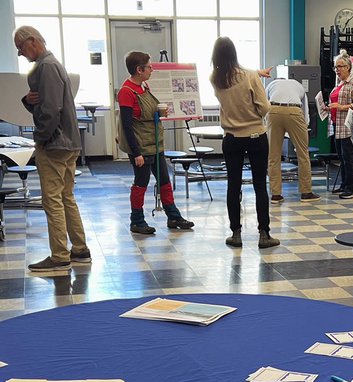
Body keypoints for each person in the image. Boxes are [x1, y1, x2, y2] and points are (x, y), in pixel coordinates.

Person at [14, 25, 90, 273]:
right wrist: (27, 101)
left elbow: (50, 110)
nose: (21, 54)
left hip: (55, 143)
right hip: (68, 142)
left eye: (21, 48)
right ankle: (79, 249)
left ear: (33, 41)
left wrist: (41, 138)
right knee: (67, 197)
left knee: (52, 200)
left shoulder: (46, 67)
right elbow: (47, 104)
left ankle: (59, 255)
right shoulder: (54, 65)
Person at [210, 37, 278, 249]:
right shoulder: (249, 76)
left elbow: (233, 82)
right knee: (259, 186)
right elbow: (265, 108)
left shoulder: (214, 78)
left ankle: (236, 233)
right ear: (234, 53)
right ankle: (264, 234)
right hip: (256, 137)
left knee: (233, 185)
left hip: (231, 139)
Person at [117, 51, 194, 236]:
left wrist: (160, 114)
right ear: (139, 70)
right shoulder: (126, 92)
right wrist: (136, 153)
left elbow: (146, 113)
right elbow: (127, 126)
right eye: (149, 67)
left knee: (165, 181)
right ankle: (136, 221)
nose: (152, 69)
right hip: (141, 146)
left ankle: (173, 216)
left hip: (155, 143)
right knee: (141, 183)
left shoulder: (144, 86)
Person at [264, 74, 318, 203]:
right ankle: (306, 193)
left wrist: (266, 124)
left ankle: (275, 194)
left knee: (273, 156)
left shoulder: (271, 85)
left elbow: (264, 105)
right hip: (294, 110)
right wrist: (304, 127)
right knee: (303, 154)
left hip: (273, 110)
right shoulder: (297, 84)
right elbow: (305, 111)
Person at [327, 51, 353, 199]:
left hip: (347, 125)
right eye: (335, 67)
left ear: (348, 67)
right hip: (336, 123)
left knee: (347, 156)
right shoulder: (339, 83)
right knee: (341, 157)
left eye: (340, 66)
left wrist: (341, 107)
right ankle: (344, 184)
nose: (337, 70)